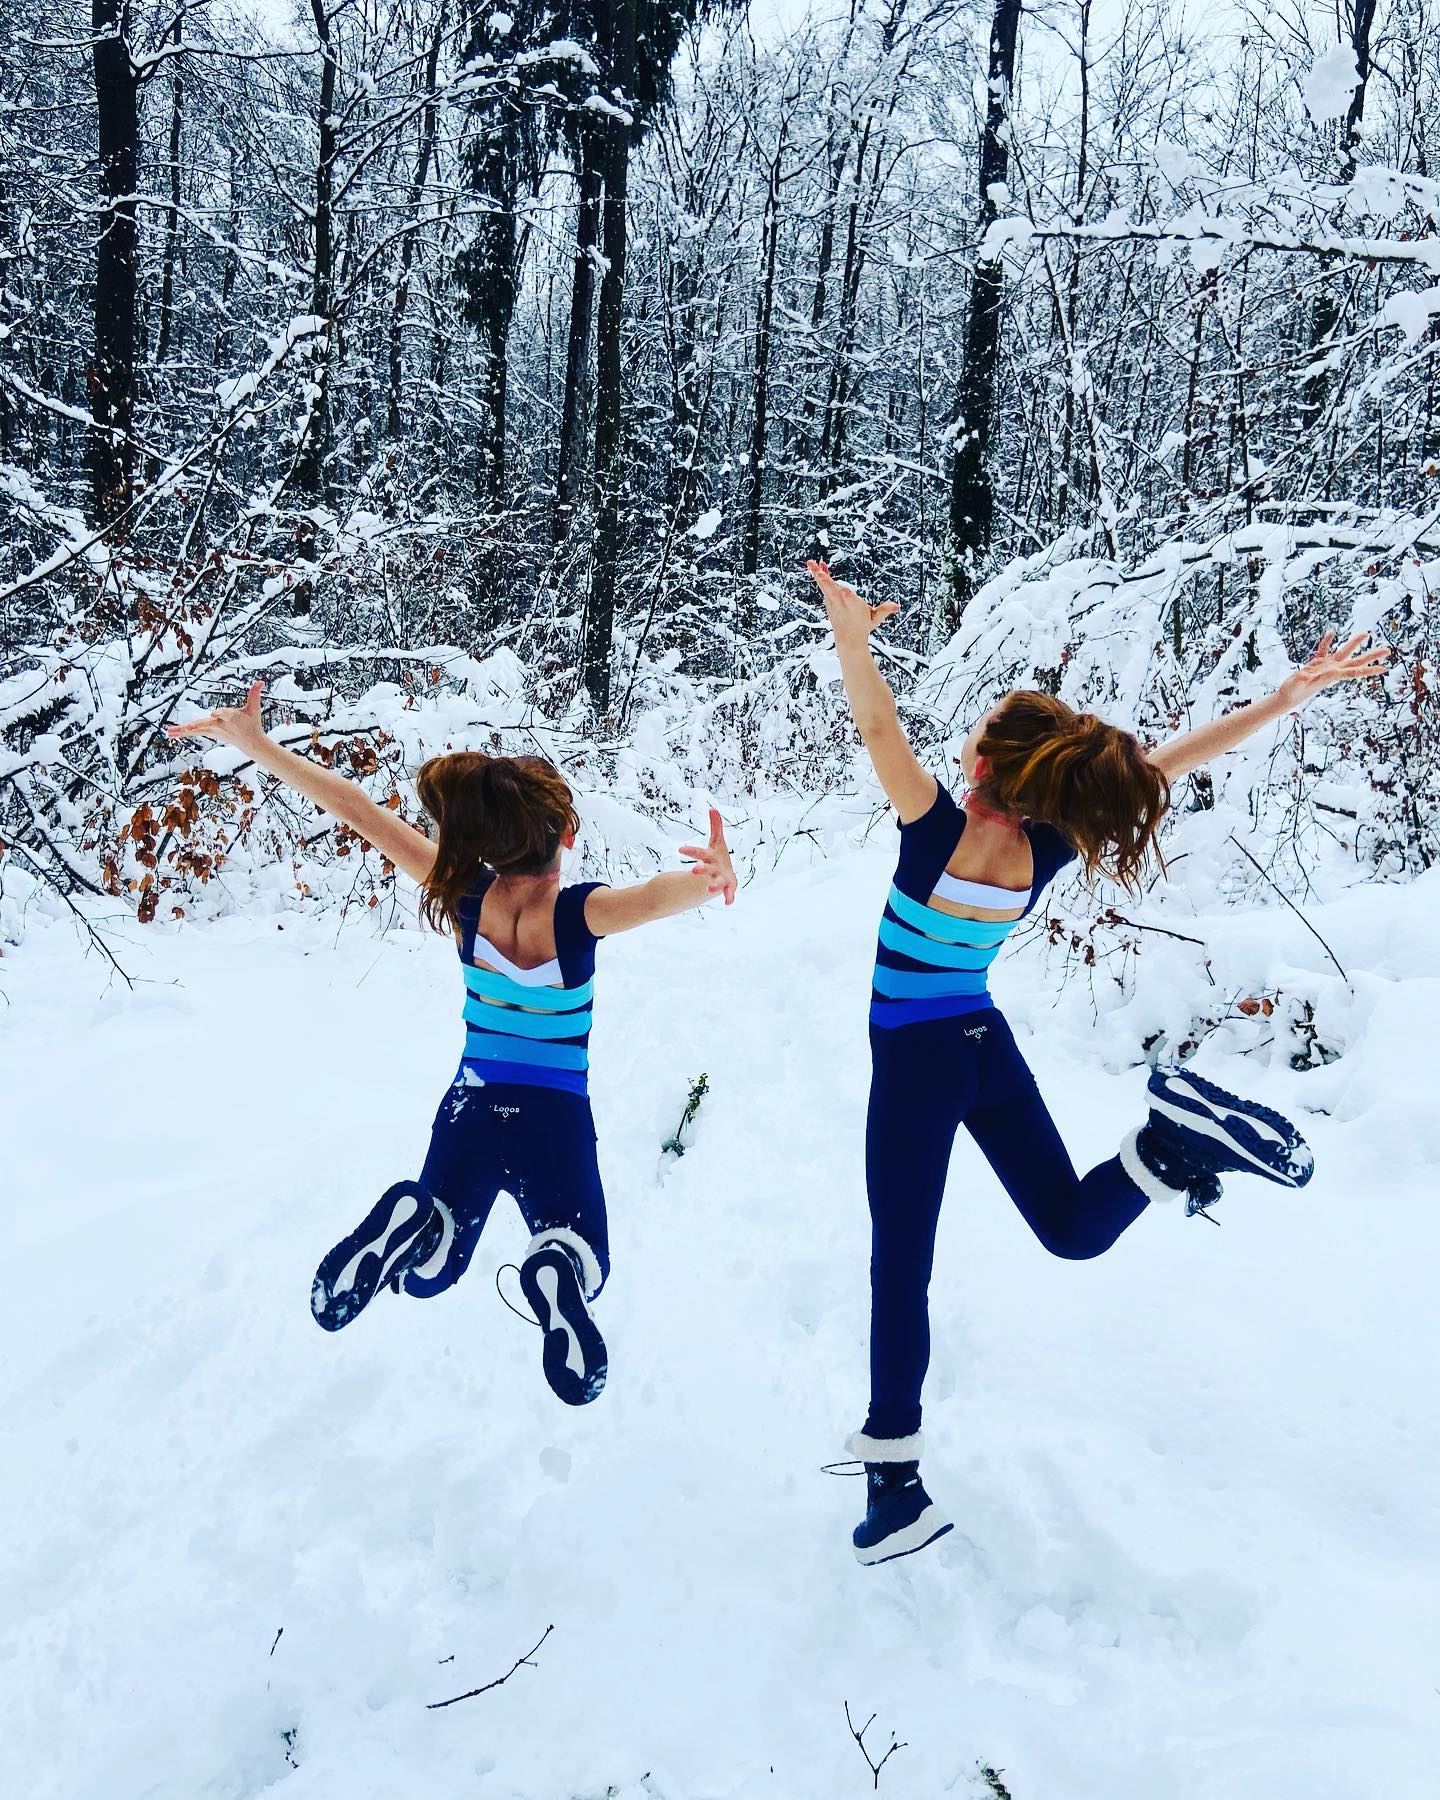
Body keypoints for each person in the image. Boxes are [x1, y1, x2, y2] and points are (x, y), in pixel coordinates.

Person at [807, 561, 1390, 1566]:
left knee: (899, 1267)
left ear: (987, 761)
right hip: (983, 1047)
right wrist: (1284, 701)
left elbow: (876, 731)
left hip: (919, 1063)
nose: (966, 734)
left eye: (981, 727)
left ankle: (894, 1485)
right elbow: (1167, 762)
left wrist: (855, 643)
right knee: (1071, 1227)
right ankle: (1170, 1150)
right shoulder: (1051, 843)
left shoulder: (937, 829)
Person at [167, 682, 736, 1407]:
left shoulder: (465, 894)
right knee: (580, 1248)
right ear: (566, 834)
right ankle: (555, 1267)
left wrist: (258, 745)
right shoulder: (578, 913)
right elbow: (664, 893)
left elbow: (359, 811)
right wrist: (711, 877)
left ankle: (420, 1224)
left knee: (431, 1267)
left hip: (470, 1106)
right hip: (553, 1114)